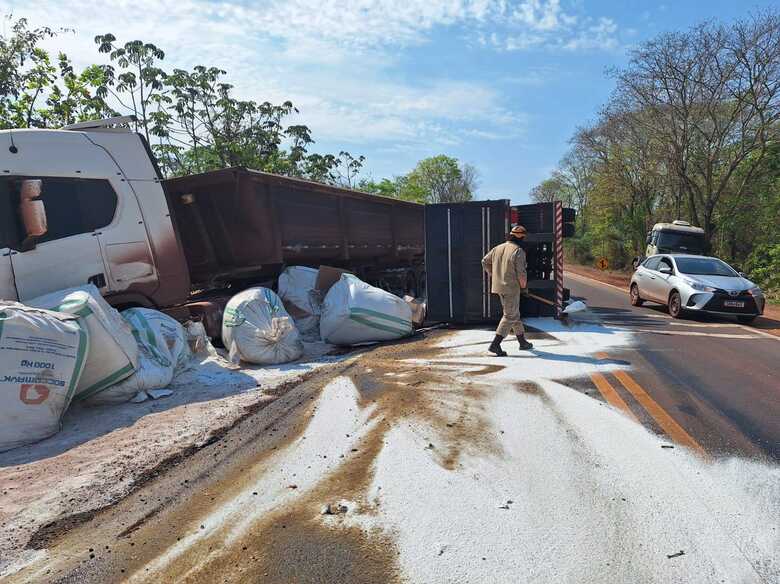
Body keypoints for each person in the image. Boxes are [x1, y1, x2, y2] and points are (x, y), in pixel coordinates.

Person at [481, 225, 534, 356]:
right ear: (520, 237)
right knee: (510, 315)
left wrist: (494, 275)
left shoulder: (498, 248)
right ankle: (495, 345)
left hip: (499, 287)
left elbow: (484, 261)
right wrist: (524, 287)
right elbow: (521, 274)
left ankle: (522, 342)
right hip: (511, 288)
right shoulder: (518, 251)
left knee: (513, 314)